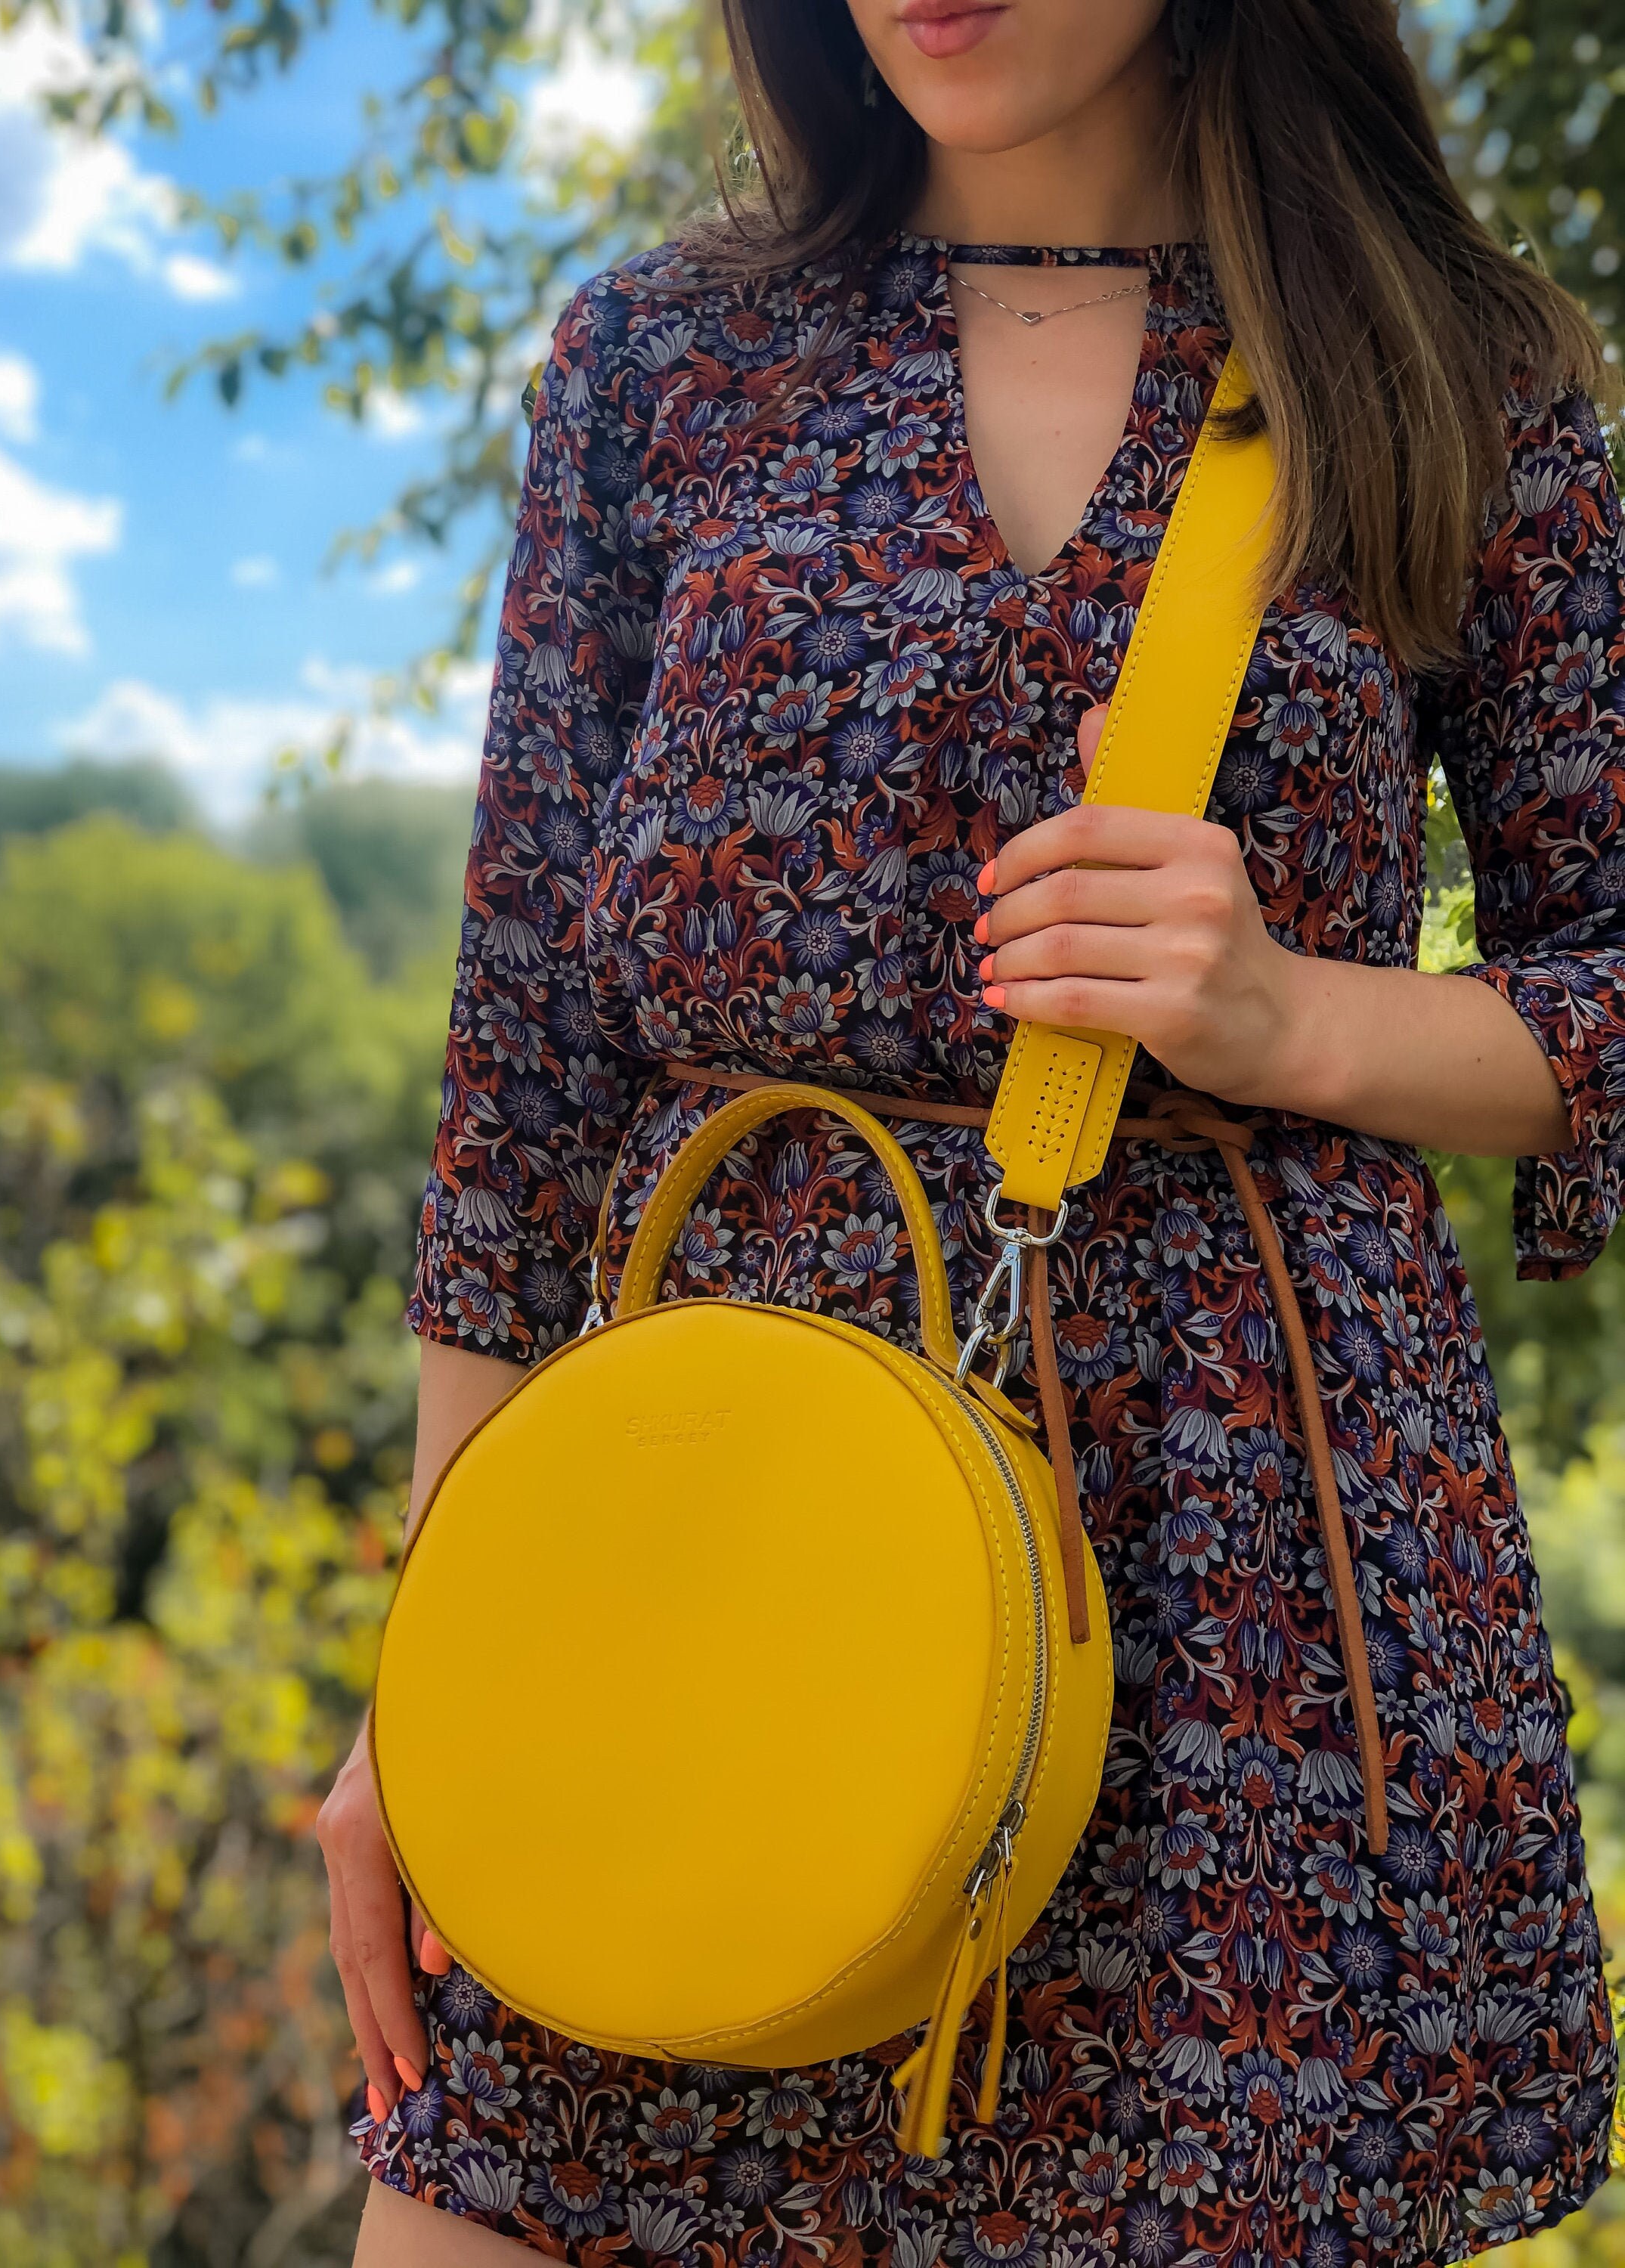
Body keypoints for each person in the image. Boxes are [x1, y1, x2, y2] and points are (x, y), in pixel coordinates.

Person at [320, 0, 1625, 2259]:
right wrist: (442, 1679)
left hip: (1246, 1634)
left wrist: (1298, 1018)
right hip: (693, 1575)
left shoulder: (1450, 376)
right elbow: (522, 1063)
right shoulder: (659, 362)